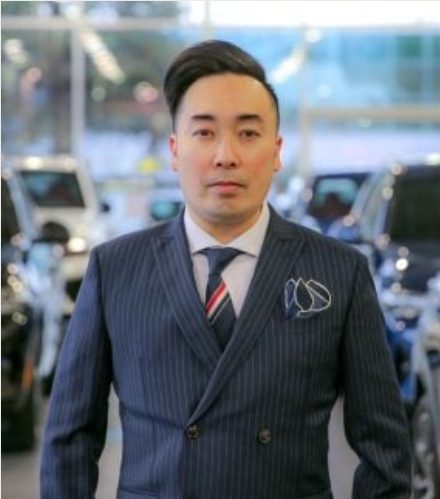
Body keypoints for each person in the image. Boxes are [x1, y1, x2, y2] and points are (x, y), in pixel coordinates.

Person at [40, 39, 412, 499]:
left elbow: (385, 450)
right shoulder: (115, 269)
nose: (225, 155)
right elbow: (70, 439)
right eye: (204, 132)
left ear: (276, 151)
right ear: (175, 149)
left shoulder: (339, 271)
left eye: (248, 133)